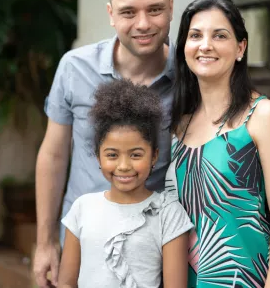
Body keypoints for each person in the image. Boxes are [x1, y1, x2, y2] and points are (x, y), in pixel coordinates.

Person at [33, 0, 270, 286]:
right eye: (129, 12)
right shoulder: (75, 68)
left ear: (171, 9)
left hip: (158, 259)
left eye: (154, 10)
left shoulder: (190, 79)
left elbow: (227, 101)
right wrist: (45, 242)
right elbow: (54, 154)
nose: (143, 24)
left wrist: (265, 117)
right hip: (83, 249)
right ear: (111, 14)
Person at [165, 0, 270, 287]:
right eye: (195, 35)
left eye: (220, 36)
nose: (205, 45)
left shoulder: (264, 116)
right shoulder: (179, 126)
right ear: (184, 48)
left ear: (241, 48)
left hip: (249, 279)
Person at [58, 79, 191, 288]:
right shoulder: (82, 208)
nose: (123, 166)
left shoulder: (168, 213)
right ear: (98, 157)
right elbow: (66, 283)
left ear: (154, 156)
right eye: (112, 155)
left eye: (136, 155)